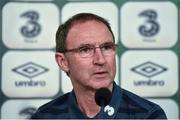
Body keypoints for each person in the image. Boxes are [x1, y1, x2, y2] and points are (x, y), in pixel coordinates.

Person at [31, 13, 167, 119]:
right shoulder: (44, 116)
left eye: (107, 47)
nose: (100, 60)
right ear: (63, 62)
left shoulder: (148, 115)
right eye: (85, 49)